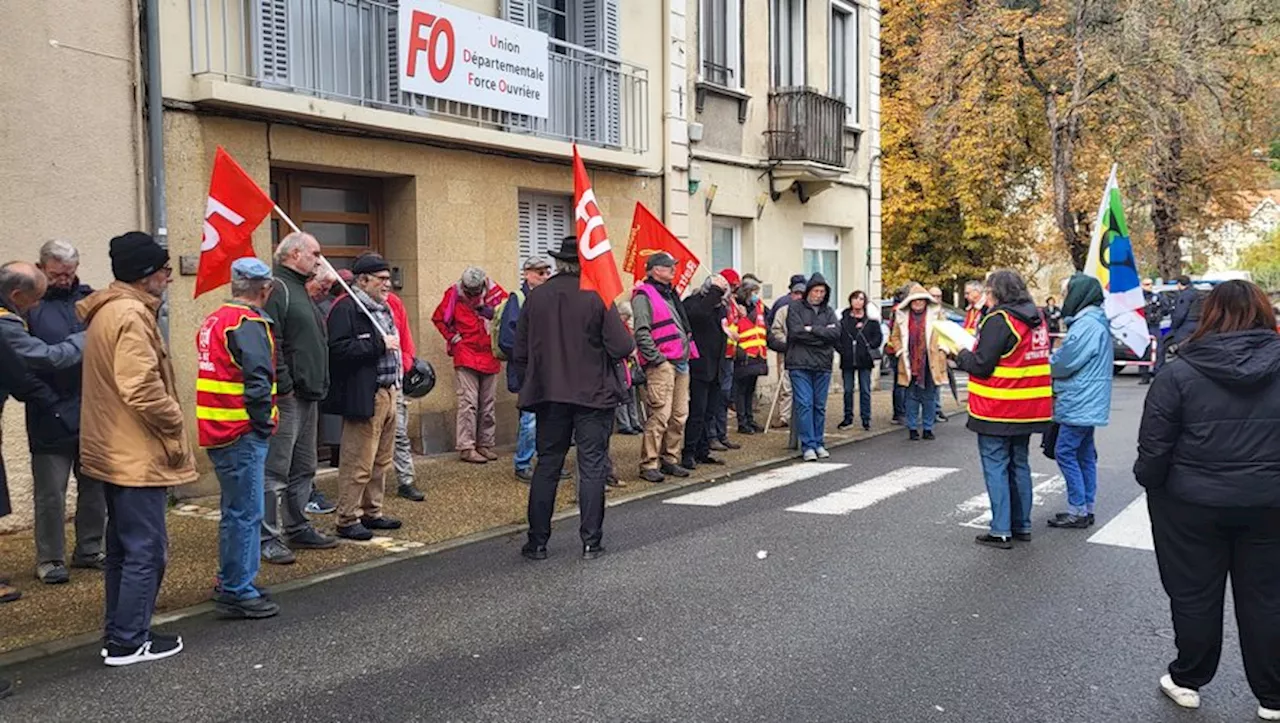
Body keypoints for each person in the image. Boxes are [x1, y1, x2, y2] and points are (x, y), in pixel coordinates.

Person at [1134, 280, 1280, 720]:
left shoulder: (1179, 371)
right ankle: (1273, 695)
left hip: (1192, 503)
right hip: (1270, 501)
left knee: (1194, 594)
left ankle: (1188, 678)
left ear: (1208, 315)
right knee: (1268, 597)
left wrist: (1153, 484)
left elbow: (1154, 446)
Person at [79, 232, 195, 666]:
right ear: (146, 274)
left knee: (124, 550)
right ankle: (129, 640)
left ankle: (122, 632)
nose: (169, 276)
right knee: (146, 550)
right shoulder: (130, 314)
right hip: (136, 453)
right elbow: (141, 387)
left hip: (115, 448)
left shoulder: (110, 311)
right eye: (164, 269)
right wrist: (174, 421)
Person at [513, 237, 635, 560]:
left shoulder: (536, 298)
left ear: (559, 263)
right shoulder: (597, 296)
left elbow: (519, 350)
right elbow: (622, 346)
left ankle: (537, 542)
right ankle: (591, 542)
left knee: (547, 465)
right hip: (592, 393)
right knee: (592, 465)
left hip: (549, 393)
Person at [196, 258, 281, 620]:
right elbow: (258, 380)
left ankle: (233, 578)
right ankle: (237, 589)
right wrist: (263, 423)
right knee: (247, 512)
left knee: (235, 511)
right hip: (241, 429)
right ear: (266, 289)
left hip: (218, 427)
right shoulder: (249, 323)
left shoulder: (215, 319)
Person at [0, 260, 88, 604]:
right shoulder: (6, 324)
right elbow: (47, 358)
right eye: (34, 299)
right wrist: (86, 337)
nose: (36, 306)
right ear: (17, 294)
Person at [952, 269, 1052, 550]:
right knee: (1019, 463)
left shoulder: (1000, 319)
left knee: (996, 465)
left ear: (997, 292)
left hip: (997, 406)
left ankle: (1000, 530)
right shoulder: (1036, 318)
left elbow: (982, 365)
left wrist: (959, 354)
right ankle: (1022, 524)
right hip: (1029, 406)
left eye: (988, 290)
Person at [26, 241, 104, 584]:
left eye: (69, 273)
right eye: (57, 274)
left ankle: (89, 549)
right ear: (41, 268)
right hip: (48, 410)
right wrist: (46, 400)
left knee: (94, 486)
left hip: (90, 408)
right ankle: (50, 559)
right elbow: (24, 361)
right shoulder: (28, 306)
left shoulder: (88, 299)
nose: (64, 279)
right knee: (51, 493)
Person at [259, 232, 337, 565]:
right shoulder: (278, 289)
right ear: (295, 254)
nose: (320, 260)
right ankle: (267, 536)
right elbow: (270, 336)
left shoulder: (299, 291)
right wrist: (285, 384)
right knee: (276, 469)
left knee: (303, 467)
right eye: (315, 254)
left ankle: (297, 525)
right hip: (289, 397)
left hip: (309, 393)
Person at [326, 253, 403, 541]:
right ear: (363, 280)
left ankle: (372, 512)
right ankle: (347, 517)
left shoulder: (384, 308)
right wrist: (377, 345)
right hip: (365, 394)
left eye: (388, 279)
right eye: (381, 279)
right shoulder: (346, 308)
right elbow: (337, 350)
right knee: (358, 460)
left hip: (388, 391)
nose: (388, 285)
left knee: (381, 460)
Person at [1047, 274, 1113, 529]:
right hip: (1089, 398)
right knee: (1084, 453)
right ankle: (1086, 506)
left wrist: (1049, 362)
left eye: (1067, 293)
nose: (1065, 298)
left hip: (1079, 398)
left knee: (1065, 452)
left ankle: (1077, 509)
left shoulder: (1086, 325)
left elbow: (1066, 362)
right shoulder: (1095, 321)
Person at [432, 266, 506, 465]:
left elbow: (507, 315)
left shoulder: (496, 294)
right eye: (468, 291)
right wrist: (453, 338)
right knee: (469, 403)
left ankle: (485, 444)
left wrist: (490, 313)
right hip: (465, 353)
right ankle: (467, 447)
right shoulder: (453, 294)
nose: (471, 295)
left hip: (489, 353)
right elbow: (439, 318)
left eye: (474, 292)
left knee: (488, 403)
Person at [633, 252, 695, 483]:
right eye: (669, 267)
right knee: (659, 415)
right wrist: (657, 359)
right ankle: (649, 463)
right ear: (655, 269)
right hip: (663, 363)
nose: (673, 270)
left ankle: (670, 458)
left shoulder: (671, 294)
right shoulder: (643, 296)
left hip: (680, 361)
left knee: (679, 415)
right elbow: (641, 331)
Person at [498, 255, 553, 482]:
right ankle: (523, 464)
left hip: (547, 369)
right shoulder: (518, 299)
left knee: (547, 418)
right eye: (540, 272)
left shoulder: (549, 299)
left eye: (547, 272)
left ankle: (546, 463)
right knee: (529, 419)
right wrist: (529, 361)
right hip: (529, 370)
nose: (545, 276)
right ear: (527, 274)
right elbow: (508, 340)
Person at [786, 274, 840, 461]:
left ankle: (819, 442)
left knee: (819, 406)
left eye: (822, 292)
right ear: (809, 291)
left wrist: (813, 329)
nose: (819, 295)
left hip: (822, 364)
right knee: (804, 403)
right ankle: (808, 445)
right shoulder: (795, 308)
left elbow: (835, 333)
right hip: (800, 363)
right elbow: (796, 332)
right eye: (816, 291)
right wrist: (821, 335)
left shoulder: (829, 311)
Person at [681, 274, 731, 470]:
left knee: (709, 412)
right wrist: (715, 291)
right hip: (699, 367)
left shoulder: (720, 309)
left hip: (717, 367)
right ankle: (689, 452)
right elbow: (699, 316)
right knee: (697, 412)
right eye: (718, 291)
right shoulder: (693, 303)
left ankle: (703, 450)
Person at [887, 284, 947, 441]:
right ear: (910, 303)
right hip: (909, 361)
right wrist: (900, 351)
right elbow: (894, 337)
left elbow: (945, 333)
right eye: (915, 301)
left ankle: (928, 427)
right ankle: (912, 427)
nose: (918, 304)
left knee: (929, 396)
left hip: (930, 361)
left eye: (921, 301)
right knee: (911, 397)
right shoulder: (902, 316)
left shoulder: (936, 315)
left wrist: (942, 350)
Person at [385, 289, 425, 502]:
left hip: (396, 378)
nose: (385, 285)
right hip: (370, 383)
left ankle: (406, 480)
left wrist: (407, 362)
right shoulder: (350, 303)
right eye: (380, 279)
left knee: (399, 432)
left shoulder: (394, 301)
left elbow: (405, 335)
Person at [837, 290, 882, 432]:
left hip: (865, 360)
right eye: (855, 298)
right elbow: (836, 338)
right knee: (848, 390)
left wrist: (869, 347)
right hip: (848, 360)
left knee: (865, 390)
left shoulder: (871, 321)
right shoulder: (843, 321)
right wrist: (843, 350)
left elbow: (877, 338)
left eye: (861, 299)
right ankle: (848, 418)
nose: (858, 301)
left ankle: (866, 419)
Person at [766, 275, 807, 428]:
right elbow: (775, 329)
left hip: (805, 353)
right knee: (786, 385)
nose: (799, 297)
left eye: (801, 294)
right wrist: (786, 342)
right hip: (787, 351)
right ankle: (784, 416)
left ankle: (802, 416)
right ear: (791, 294)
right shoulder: (783, 310)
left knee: (803, 385)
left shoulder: (809, 311)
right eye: (796, 293)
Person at [731, 277, 768, 435]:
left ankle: (750, 418)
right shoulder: (736, 308)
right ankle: (742, 421)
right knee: (741, 391)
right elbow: (732, 331)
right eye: (754, 292)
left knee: (750, 390)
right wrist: (737, 351)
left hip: (757, 354)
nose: (756, 295)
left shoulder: (758, 306)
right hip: (744, 354)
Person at [710, 268, 742, 446]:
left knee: (724, 395)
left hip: (730, 354)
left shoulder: (732, 303)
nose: (734, 289)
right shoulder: (718, 303)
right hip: (719, 355)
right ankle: (713, 435)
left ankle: (721, 434)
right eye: (732, 286)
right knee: (718, 395)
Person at [613, 300, 644, 435]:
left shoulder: (624, 326)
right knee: (623, 396)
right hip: (621, 363)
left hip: (629, 363)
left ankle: (634, 421)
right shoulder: (617, 326)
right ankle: (625, 423)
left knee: (632, 396)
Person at [1167, 275, 1204, 358]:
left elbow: (1180, 314)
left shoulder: (1185, 295)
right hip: (1199, 324)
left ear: (1179, 284)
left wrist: (1174, 326)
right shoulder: (1198, 293)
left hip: (1187, 325)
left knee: (1181, 350)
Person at [1141, 278, 1165, 384]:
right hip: (1142, 326)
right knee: (1144, 351)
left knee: (1159, 351)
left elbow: (1165, 308)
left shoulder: (1157, 296)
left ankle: (1157, 373)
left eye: (1151, 284)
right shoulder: (1138, 297)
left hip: (1154, 325)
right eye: (1146, 284)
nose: (1149, 286)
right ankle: (1144, 375)